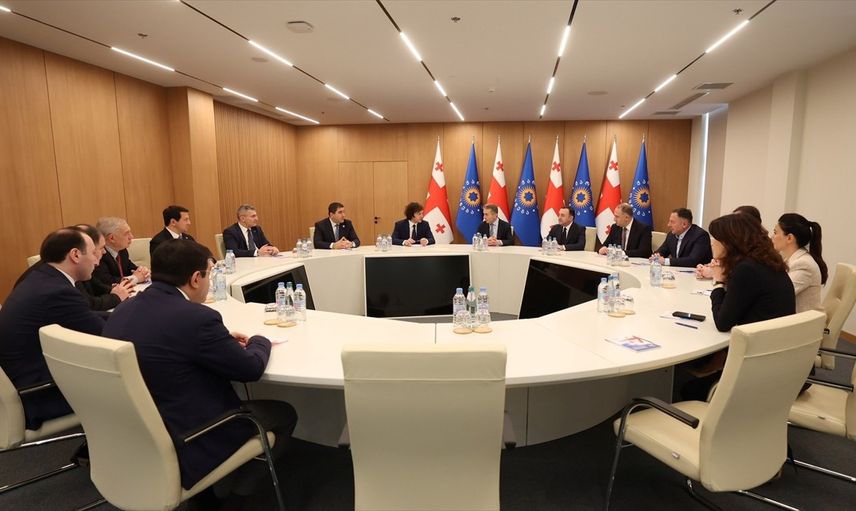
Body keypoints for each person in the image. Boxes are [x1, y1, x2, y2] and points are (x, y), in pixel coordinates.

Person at [103, 240, 297, 509]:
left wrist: (218, 341)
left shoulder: (124, 308)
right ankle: (235, 499)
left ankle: (208, 494)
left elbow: (166, 345)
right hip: (189, 434)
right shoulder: (197, 318)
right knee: (285, 414)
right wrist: (259, 340)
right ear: (196, 278)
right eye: (209, 274)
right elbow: (250, 369)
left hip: (133, 431)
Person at [680, 213, 795, 401]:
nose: (712, 244)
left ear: (728, 243)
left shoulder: (746, 269)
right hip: (780, 361)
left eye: (715, 239)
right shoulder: (766, 263)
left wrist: (719, 281)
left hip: (757, 369)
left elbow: (723, 322)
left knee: (686, 388)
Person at [0, 227, 105, 430]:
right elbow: (105, 335)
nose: (97, 261)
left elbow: (87, 317)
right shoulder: (57, 292)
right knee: (138, 372)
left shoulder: (42, 279)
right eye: (93, 253)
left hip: (23, 380)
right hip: (37, 393)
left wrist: (122, 315)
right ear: (75, 255)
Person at [772, 213, 828, 313]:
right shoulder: (789, 257)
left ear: (789, 238)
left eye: (775, 233)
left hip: (804, 322)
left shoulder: (803, 264)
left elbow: (779, 295)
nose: (772, 237)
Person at [695, 205, 764, 279]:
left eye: (736, 223)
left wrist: (718, 275)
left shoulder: (755, 256)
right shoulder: (735, 254)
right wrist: (711, 268)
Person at [92, 217, 150, 288]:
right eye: (126, 234)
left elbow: (131, 268)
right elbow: (107, 281)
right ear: (111, 238)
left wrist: (143, 271)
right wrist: (135, 278)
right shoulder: (99, 255)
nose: (131, 237)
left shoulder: (122, 251)